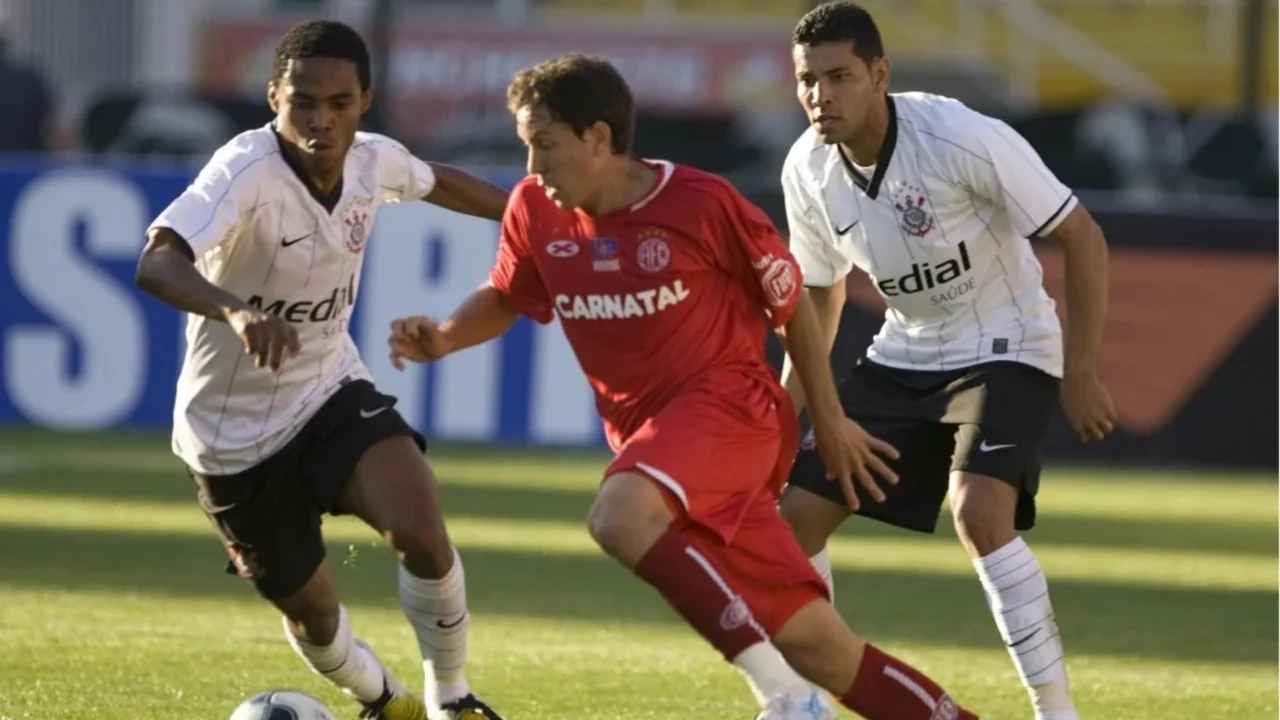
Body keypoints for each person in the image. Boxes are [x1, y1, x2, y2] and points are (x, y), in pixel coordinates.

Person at [387, 53, 981, 720]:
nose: (532, 169)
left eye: (544, 147)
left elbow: (795, 310)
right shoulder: (535, 209)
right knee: (821, 644)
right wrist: (442, 337)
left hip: (731, 409)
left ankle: (784, 697)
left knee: (619, 515)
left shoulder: (701, 204)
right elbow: (508, 294)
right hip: (662, 442)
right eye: (528, 148)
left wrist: (829, 419)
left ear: (599, 139)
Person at [747, 4, 1117, 720]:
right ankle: (805, 700)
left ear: (879, 74)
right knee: (788, 523)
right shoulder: (807, 168)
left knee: (978, 510)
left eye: (839, 76)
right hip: (903, 352)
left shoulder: (961, 137)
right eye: (806, 80)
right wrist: (786, 413)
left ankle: (1056, 711)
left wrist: (1082, 371)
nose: (820, 96)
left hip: (1006, 343)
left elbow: (1084, 235)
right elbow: (817, 301)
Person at [133, 20, 509, 720]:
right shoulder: (244, 170)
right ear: (274, 96)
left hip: (328, 389)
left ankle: (451, 700)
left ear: (365, 100)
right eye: (302, 101)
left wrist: (539, 219)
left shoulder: (372, 160)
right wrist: (236, 313)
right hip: (230, 437)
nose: (320, 120)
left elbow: (440, 183)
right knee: (313, 613)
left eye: (338, 103)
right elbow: (157, 260)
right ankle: (383, 700)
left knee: (421, 527)